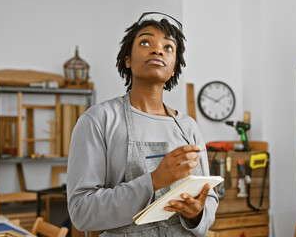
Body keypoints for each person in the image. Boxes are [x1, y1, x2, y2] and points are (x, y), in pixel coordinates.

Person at [67, 12, 219, 237]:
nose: (157, 50)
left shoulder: (188, 128)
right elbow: (82, 211)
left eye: (168, 47)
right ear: (127, 59)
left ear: (174, 67)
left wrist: (196, 214)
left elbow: (209, 200)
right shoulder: (98, 120)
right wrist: (154, 181)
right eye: (146, 42)